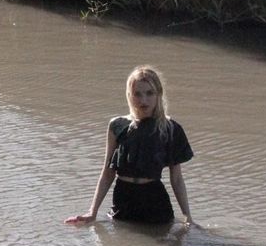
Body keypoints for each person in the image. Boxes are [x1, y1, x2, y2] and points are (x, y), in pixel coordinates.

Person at [65, 65, 194, 226]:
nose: (143, 100)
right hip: (123, 200)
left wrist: (187, 217)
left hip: (154, 202)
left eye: (149, 93)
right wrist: (93, 212)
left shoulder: (170, 128)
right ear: (130, 96)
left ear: (158, 94)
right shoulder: (117, 125)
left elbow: (176, 179)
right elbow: (107, 173)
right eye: (137, 94)